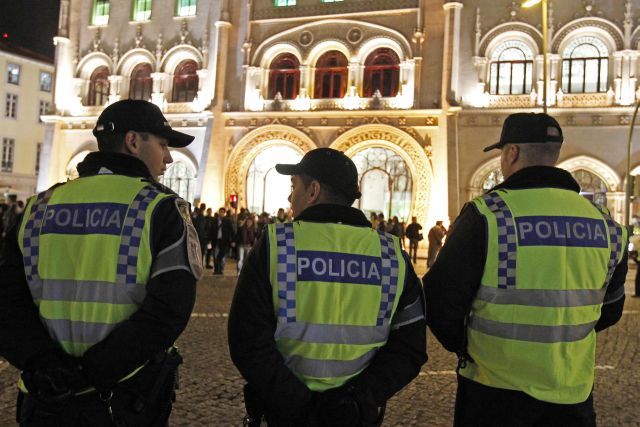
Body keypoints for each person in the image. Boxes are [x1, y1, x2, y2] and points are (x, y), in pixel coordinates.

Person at [0, 99, 202, 426]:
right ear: (133, 141)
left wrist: (44, 364)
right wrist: (90, 373)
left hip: (44, 397)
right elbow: (168, 311)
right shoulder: (161, 209)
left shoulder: (39, 206)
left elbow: (7, 301)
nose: (168, 158)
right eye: (163, 145)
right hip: (121, 398)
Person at [423, 113, 628, 426]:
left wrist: (469, 345)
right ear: (555, 154)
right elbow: (611, 310)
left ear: (511, 153)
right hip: (572, 393)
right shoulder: (605, 225)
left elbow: (440, 300)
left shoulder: (488, 214)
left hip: (494, 391)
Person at [228, 148, 427, 427]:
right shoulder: (391, 255)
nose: (289, 196)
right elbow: (409, 347)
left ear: (313, 190)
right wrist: (356, 400)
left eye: (293, 186)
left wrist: (296, 402)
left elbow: (246, 338)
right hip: (355, 417)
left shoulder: (277, 245)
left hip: (287, 415)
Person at [212, 207, 234, 275]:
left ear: (224, 213)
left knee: (222, 256)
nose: (221, 213)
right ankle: (216, 270)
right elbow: (211, 230)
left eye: (222, 212)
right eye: (220, 212)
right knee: (215, 255)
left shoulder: (227, 221)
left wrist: (233, 240)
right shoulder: (215, 220)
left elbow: (231, 231)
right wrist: (209, 240)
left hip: (224, 241)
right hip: (216, 241)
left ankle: (221, 269)